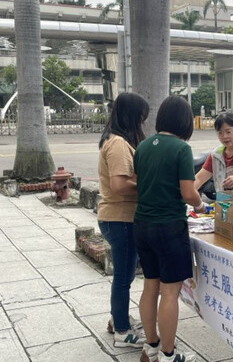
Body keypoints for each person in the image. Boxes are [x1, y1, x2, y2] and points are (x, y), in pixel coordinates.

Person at [133, 96, 203, 362]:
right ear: (185, 122)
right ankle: (169, 354)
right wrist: (202, 204)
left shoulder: (143, 146)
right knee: (170, 292)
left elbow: (140, 183)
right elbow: (188, 193)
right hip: (169, 227)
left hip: (142, 224)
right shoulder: (181, 149)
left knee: (150, 285)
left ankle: (151, 346)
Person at [97, 92, 149, 348]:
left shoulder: (115, 140)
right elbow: (120, 185)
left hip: (118, 218)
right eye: (141, 118)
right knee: (123, 277)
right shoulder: (118, 143)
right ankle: (121, 330)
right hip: (121, 218)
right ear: (132, 116)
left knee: (124, 276)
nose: (142, 123)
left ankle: (117, 318)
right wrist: (152, 184)